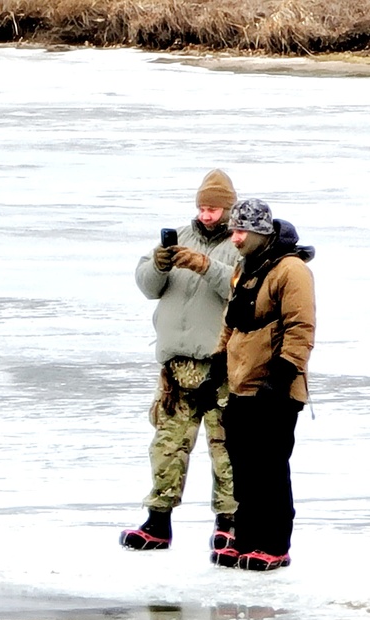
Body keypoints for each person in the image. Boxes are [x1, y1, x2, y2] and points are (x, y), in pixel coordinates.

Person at [120, 169, 241, 552]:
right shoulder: (180, 238)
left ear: (228, 210)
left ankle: (229, 522)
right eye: (203, 208)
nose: (207, 215)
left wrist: (205, 266)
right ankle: (158, 522)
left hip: (220, 366)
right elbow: (147, 287)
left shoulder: (240, 244)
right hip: (176, 367)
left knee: (226, 447)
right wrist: (159, 264)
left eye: (214, 209)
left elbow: (242, 289)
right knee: (168, 445)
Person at [208, 199, 315, 571]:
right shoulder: (245, 268)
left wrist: (282, 376)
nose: (234, 238)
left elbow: (301, 328)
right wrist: (217, 367)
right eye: (232, 231)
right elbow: (231, 322)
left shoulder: (291, 270)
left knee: (269, 467)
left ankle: (274, 544)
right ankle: (247, 538)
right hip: (241, 385)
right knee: (243, 466)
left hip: (275, 389)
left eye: (240, 231)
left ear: (259, 232)